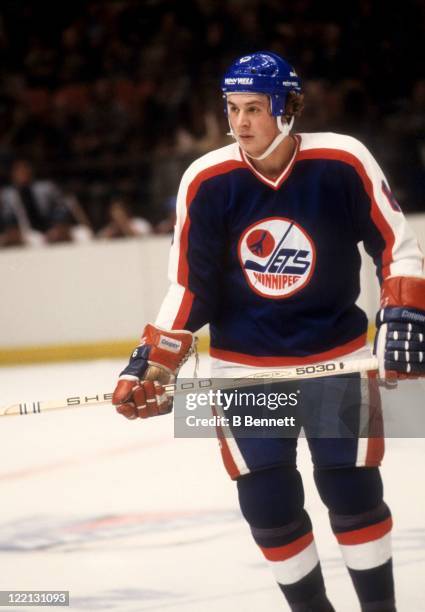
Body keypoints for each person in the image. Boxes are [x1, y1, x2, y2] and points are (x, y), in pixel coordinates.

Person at [112, 52, 425, 611]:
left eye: (254, 108)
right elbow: (190, 287)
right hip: (245, 372)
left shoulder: (343, 159)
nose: (240, 123)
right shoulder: (206, 178)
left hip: (336, 359)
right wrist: (151, 359)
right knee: (268, 502)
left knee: (352, 492)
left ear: (286, 107)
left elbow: (395, 246)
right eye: (232, 109)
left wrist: (403, 314)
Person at [0, 159, 92, 247]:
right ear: (12, 174)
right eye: (18, 171)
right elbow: (7, 217)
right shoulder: (7, 194)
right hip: (24, 233)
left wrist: (58, 226)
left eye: (25, 169)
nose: (22, 173)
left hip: (51, 229)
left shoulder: (46, 188)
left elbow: (62, 207)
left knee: (78, 232)